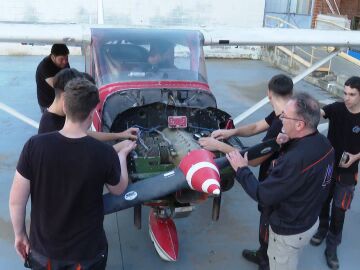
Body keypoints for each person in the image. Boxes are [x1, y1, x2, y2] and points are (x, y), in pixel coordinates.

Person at [9, 78, 136, 269]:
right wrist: (122, 154)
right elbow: (119, 188)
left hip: (44, 255)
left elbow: (16, 200)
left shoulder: (34, 146)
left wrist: (20, 235)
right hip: (87, 255)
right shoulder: (103, 153)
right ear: (93, 113)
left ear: (65, 108)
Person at [226, 92, 334, 270]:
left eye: (285, 116)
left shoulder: (294, 161)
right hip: (309, 219)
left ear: (299, 124)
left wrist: (241, 169)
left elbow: (263, 195)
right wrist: (285, 143)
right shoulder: (325, 144)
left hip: (289, 231)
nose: (281, 118)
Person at [199, 74, 293, 269]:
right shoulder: (285, 112)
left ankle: (266, 262)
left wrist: (218, 145)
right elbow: (256, 126)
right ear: (290, 92)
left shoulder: (281, 124)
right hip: (283, 178)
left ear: (268, 93)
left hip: (276, 181)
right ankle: (262, 253)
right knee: (267, 221)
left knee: (269, 222)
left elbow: (255, 160)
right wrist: (231, 132)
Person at [310, 76, 360, 269]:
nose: (347, 98)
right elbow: (319, 112)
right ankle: (322, 229)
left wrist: (355, 157)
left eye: (352, 94)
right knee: (323, 201)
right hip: (329, 166)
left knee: (340, 210)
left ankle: (332, 246)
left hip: (348, 172)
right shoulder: (336, 109)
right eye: (345, 93)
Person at [38, 68, 139, 144]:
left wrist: (121, 135)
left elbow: (86, 134)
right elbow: (85, 154)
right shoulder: (52, 129)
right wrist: (119, 148)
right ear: (65, 96)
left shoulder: (62, 117)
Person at [35, 44, 70, 112]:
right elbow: (57, 85)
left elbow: (69, 77)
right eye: (61, 59)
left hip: (60, 100)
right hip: (47, 103)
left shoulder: (64, 63)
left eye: (66, 58)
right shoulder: (44, 66)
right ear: (53, 57)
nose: (65, 61)